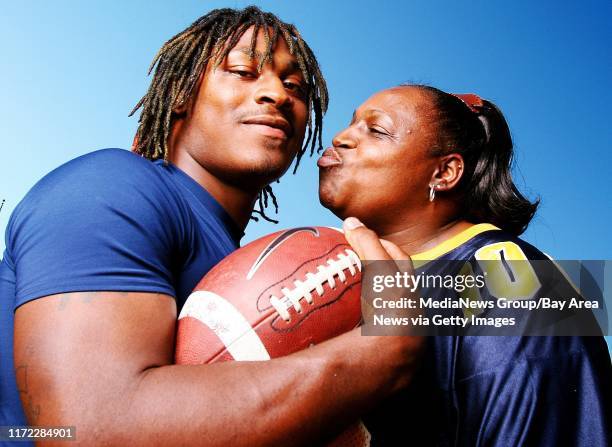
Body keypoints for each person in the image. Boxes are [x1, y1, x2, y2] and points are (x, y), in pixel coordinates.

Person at [0, 7, 423, 446]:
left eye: (294, 85)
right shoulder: (113, 186)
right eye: (243, 71)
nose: (276, 94)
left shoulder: (243, 272)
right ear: (182, 93)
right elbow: (88, 430)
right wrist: (385, 349)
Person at [318, 84, 612, 446]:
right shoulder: (356, 277)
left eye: (376, 130)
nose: (341, 137)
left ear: (444, 173)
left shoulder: (516, 282)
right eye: (352, 123)